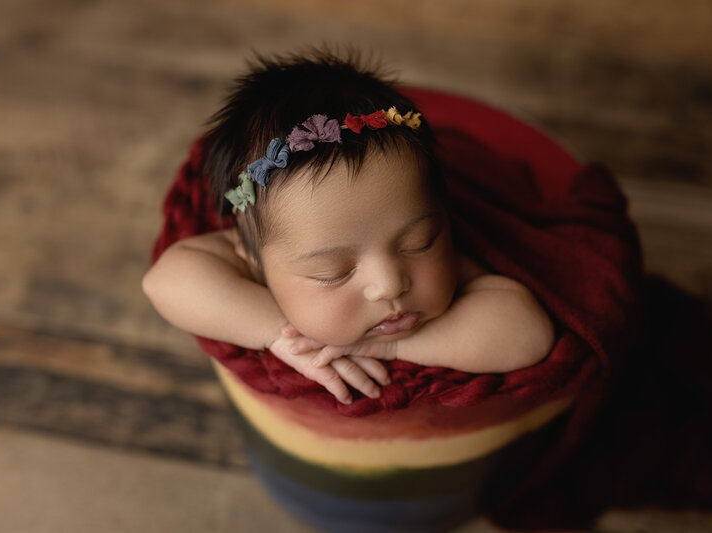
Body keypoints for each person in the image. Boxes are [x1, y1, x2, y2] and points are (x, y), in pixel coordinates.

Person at [143, 51, 555, 405]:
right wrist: (276, 333)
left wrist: (391, 344)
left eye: (418, 243)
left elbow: (528, 335)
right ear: (251, 256)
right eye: (333, 272)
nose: (390, 284)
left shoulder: (450, 254)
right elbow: (166, 281)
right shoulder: (261, 252)